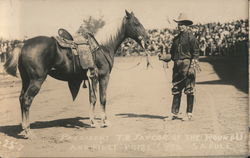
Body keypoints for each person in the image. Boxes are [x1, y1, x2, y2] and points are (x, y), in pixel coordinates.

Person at [166, 13, 200, 121]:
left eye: (182, 24)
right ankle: (174, 113)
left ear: (186, 25)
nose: (180, 26)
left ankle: (189, 114)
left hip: (187, 65)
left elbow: (195, 54)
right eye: (179, 24)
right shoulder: (175, 39)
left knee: (189, 89)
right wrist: (165, 57)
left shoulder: (192, 38)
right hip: (176, 67)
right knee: (176, 89)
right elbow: (172, 54)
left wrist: (191, 68)